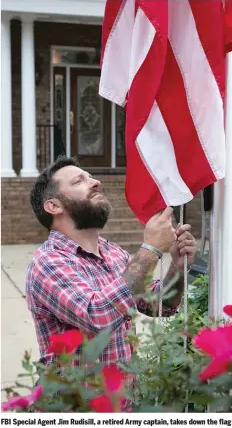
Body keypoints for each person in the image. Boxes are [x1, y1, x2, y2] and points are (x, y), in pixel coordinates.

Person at [26, 156, 197, 390]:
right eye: (79, 181)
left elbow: (160, 304)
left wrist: (177, 267)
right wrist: (150, 250)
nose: (95, 182)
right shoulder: (48, 262)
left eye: (90, 176)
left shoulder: (113, 252)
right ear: (54, 206)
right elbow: (98, 316)